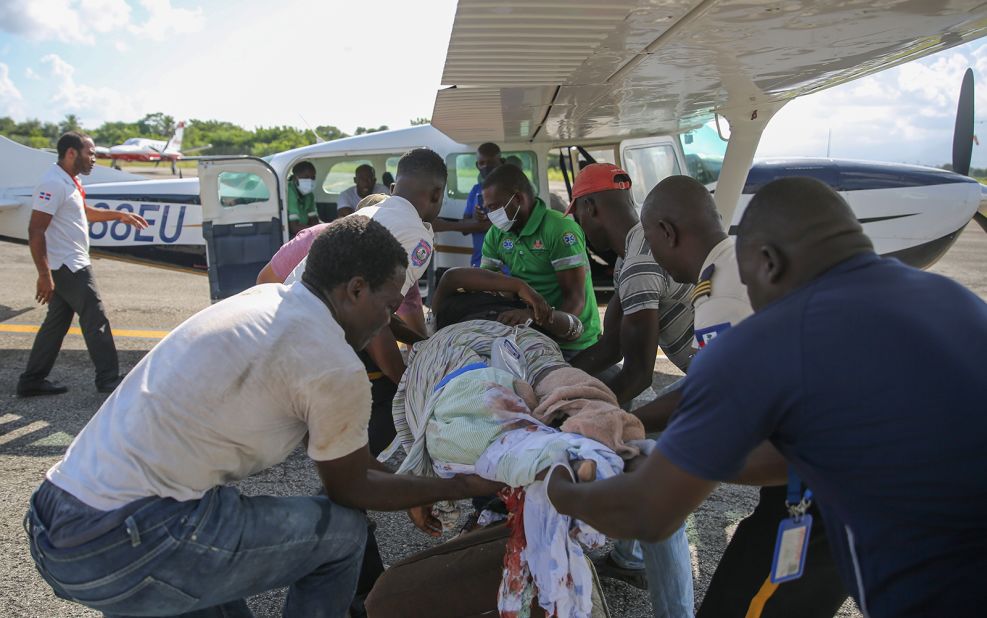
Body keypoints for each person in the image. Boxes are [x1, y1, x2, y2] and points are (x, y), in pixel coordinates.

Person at [543, 177, 987, 618]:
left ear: (769, 262)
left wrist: (562, 491)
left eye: (753, 287)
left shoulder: (776, 332)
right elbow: (812, 445)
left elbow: (649, 512)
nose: (752, 300)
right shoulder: (954, 300)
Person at [25, 216, 502, 618]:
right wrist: (458, 486)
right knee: (343, 532)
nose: (389, 321)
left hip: (58, 523)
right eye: (388, 304)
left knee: (224, 541)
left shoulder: (263, 304)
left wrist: (405, 483)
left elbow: (349, 462)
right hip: (127, 541)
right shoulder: (330, 360)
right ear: (355, 290)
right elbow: (350, 488)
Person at [629, 176, 846, 618]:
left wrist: (639, 436)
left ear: (668, 232)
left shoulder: (720, 293)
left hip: (820, 492)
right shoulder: (733, 267)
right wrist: (634, 418)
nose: (654, 256)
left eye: (652, 242)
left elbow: (717, 401)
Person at [566, 164, 695, 614]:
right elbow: (608, 348)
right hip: (710, 378)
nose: (580, 227)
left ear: (590, 207)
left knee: (654, 479)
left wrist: (584, 422)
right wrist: (555, 379)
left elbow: (638, 374)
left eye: (579, 216)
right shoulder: (632, 252)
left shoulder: (640, 260)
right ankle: (627, 554)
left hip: (719, 385)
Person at [17, 132, 148, 398]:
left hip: (68, 263)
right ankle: (109, 380)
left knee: (55, 324)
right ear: (71, 153)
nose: (94, 159)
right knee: (96, 318)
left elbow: (84, 213)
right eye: (90, 153)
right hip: (69, 265)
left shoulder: (69, 181)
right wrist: (44, 275)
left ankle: (32, 380)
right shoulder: (53, 183)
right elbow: (35, 230)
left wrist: (118, 215)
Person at [479, 164, 601, 358]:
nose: (490, 215)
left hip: (573, 341)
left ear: (518, 198)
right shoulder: (496, 234)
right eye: (487, 209)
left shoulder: (559, 229)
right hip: (532, 335)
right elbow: (486, 282)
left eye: (494, 207)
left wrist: (533, 318)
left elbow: (575, 300)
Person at [431, 142, 500, 267]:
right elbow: (466, 228)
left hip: (504, 266)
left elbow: (489, 226)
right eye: (482, 163)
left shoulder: (507, 190)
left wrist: (443, 225)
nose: (486, 167)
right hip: (479, 262)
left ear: (501, 163)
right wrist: (475, 217)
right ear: (477, 165)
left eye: (491, 163)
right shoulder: (475, 190)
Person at [286, 160, 320, 237]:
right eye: (306, 177)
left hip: (305, 231)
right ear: (295, 178)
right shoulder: (289, 191)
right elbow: (294, 227)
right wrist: (318, 230)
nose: (310, 181)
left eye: (313, 177)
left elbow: (313, 219)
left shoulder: (309, 195)